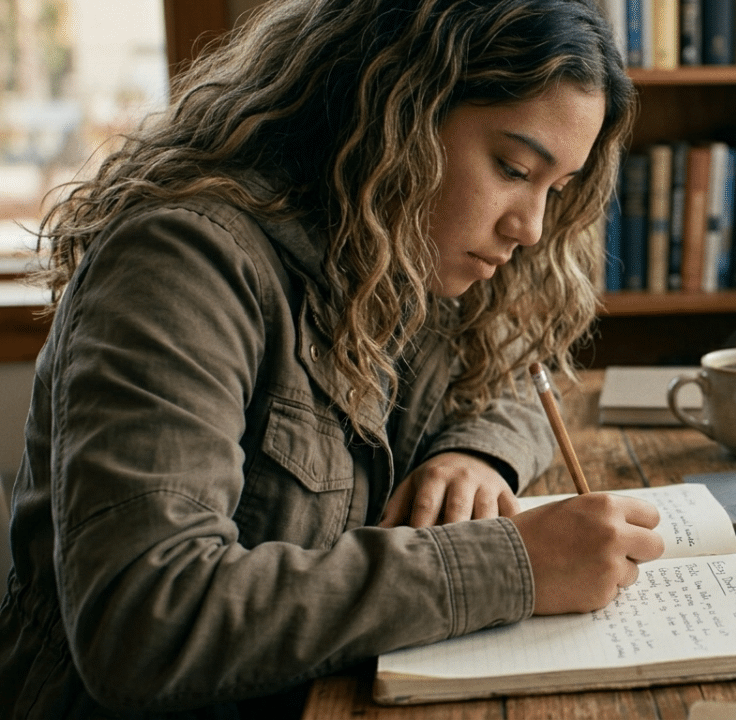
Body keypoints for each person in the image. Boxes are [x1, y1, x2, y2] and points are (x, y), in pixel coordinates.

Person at [0, 0, 666, 716]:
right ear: (398, 110)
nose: (531, 228)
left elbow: (518, 374)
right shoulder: (179, 262)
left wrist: (476, 455)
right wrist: (517, 563)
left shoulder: (405, 244)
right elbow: (148, 622)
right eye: (512, 167)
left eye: (555, 189)